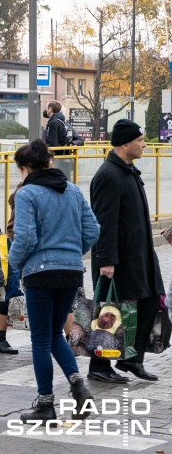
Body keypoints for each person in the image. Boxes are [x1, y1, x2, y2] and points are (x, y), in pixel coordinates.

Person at [7, 140, 99, 423]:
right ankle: (78, 386)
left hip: (40, 272)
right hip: (71, 271)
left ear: (25, 168)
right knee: (56, 333)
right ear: (49, 161)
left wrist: (14, 264)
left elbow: (25, 238)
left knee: (40, 338)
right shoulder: (72, 190)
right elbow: (93, 229)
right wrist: (72, 253)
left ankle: (46, 404)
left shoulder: (27, 194)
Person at [87, 119, 165, 383]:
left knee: (151, 300)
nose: (144, 145)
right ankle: (99, 366)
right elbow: (104, 223)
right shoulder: (108, 175)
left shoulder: (128, 171)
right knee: (111, 311)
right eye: (140, 140)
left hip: (140, 255)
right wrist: (107, 260)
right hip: (118, 260)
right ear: (125, 143)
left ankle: (132, 359)